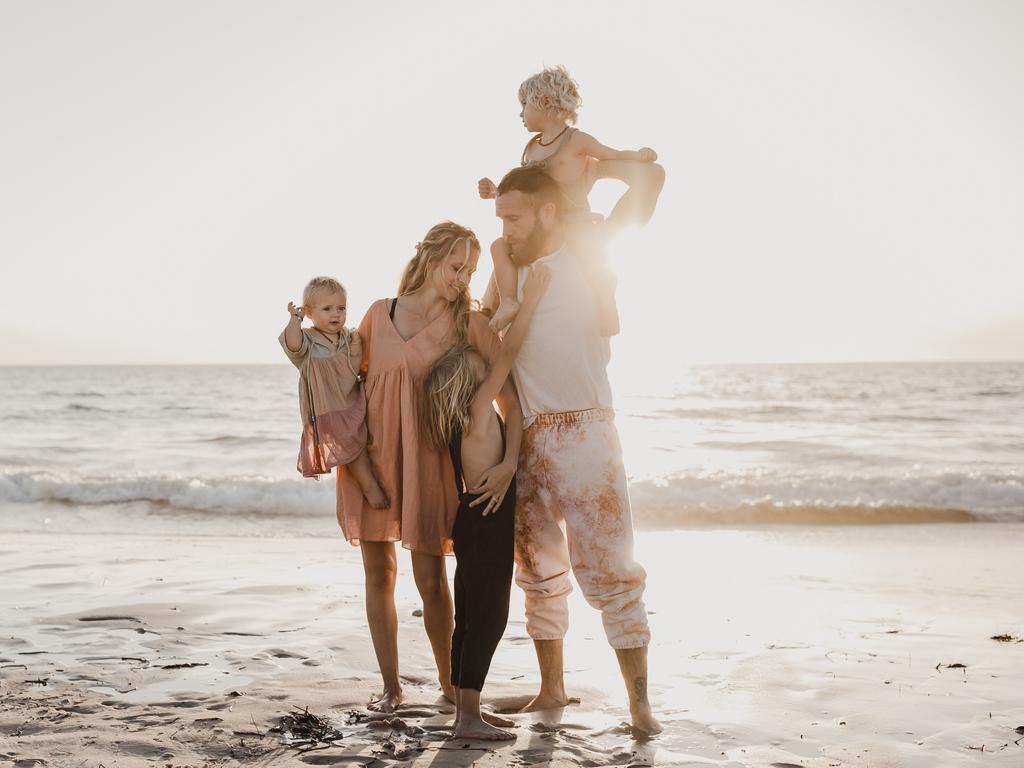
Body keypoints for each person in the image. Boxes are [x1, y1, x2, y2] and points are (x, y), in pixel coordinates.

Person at [492, 160, 665, 735]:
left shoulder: (590, 255)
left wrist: (597, 160)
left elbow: (653, 179)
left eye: (514, 218)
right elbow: (494, 351)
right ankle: (551, 689)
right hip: (529, 434)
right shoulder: (506, 272)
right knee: (537, 571)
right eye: (500, 218)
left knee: (612, 569)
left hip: (590, 431)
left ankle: (640, 704)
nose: (505, 229)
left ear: (546, 211)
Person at [336, 222, 523, 713]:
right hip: (373, 464)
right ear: (429, 258)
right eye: (456, 266)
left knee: (433, 582)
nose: (462, 278)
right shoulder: (379, 315)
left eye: (471, 271)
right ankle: (391, 688)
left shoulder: (470, 324)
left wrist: (508, 461)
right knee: (379, 576)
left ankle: (450, 686)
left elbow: (508, 397)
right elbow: (341, 386)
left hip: (430, 465)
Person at [422, 266, 551, 740]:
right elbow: (508, 350)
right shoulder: (478, 407)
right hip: (486, 518)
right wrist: (533, 298)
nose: (487, 362)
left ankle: (465, 708)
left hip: (471, 518)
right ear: (469, 381)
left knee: (470, 615)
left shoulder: (460, 419)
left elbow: (494, 342)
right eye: (480, 365)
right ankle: (467, 719)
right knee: (490, 616)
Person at [478, 65, 658, 336]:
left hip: (575, 220)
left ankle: (606, 304)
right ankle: (507, 301)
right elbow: (523, 189)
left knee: (593, 259)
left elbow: (611, 153)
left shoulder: (576, 141)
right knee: (498, 248)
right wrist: (495, 190)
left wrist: (638, 155)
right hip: (540, 224)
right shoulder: (531, 149)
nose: (520, 113)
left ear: (546, 102)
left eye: (525, 105)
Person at [279, 276, 387, 508]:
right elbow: (293, 344)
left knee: (366, 445)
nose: (336, 314)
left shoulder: (349, 338)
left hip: (353, 401)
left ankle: (375, 484)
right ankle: (371, 489)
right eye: (327, 309)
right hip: (328, 410)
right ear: (309, 312)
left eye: (341, 308)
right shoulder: (308, 340)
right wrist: (294, 321)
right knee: (356, 454)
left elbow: (366, 358)